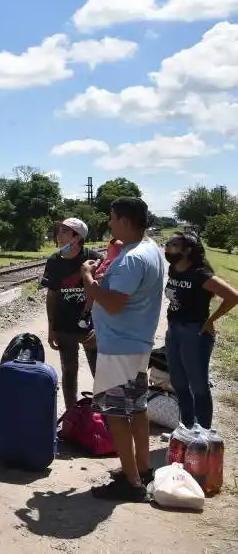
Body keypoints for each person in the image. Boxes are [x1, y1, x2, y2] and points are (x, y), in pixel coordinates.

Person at [81, 197, 166, 501]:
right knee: (137, 408)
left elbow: (113, 303)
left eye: (113, 218)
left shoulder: (131, 258)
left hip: (120, 348)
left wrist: (88, 276)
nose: (110, 223)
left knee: (116, 413)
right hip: (134, 343)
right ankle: (142, 468)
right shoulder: (150, 250)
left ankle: (131, 483)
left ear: (125, 222)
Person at [163, 232, 238, 429]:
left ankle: (203, 435)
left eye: (174, 244)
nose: (168, 246)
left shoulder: (199, 274)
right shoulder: (173, 269)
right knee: (178, 383)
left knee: (198, 387)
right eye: (168, 243)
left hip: (194, 333)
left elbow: (233, 296)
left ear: (188, 250)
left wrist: (211, 320)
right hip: (174, 331)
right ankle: (187, 429)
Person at [40, 218, 103, 410]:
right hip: (64, 327)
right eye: (59, 231)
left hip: (91, 328)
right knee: (68, 372)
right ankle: (71, 415)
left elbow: (103, 295)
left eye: (65, 232)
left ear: (77, 238)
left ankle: (103, 416)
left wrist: (101, 328)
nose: (59, 235)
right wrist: (51, 328)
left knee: (99, 372)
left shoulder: (94, 258)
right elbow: (52, 296)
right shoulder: (54, 261)